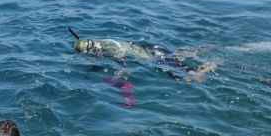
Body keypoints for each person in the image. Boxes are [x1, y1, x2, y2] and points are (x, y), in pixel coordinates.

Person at [68, 28, 217, 83]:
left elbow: (123, 65)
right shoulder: (103, 42)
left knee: (182, 76)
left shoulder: (111, 50)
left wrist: (118, 76)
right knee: (179, 55)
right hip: (149, 48)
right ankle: (203, 49)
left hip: (153, 57)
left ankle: (208, 67)